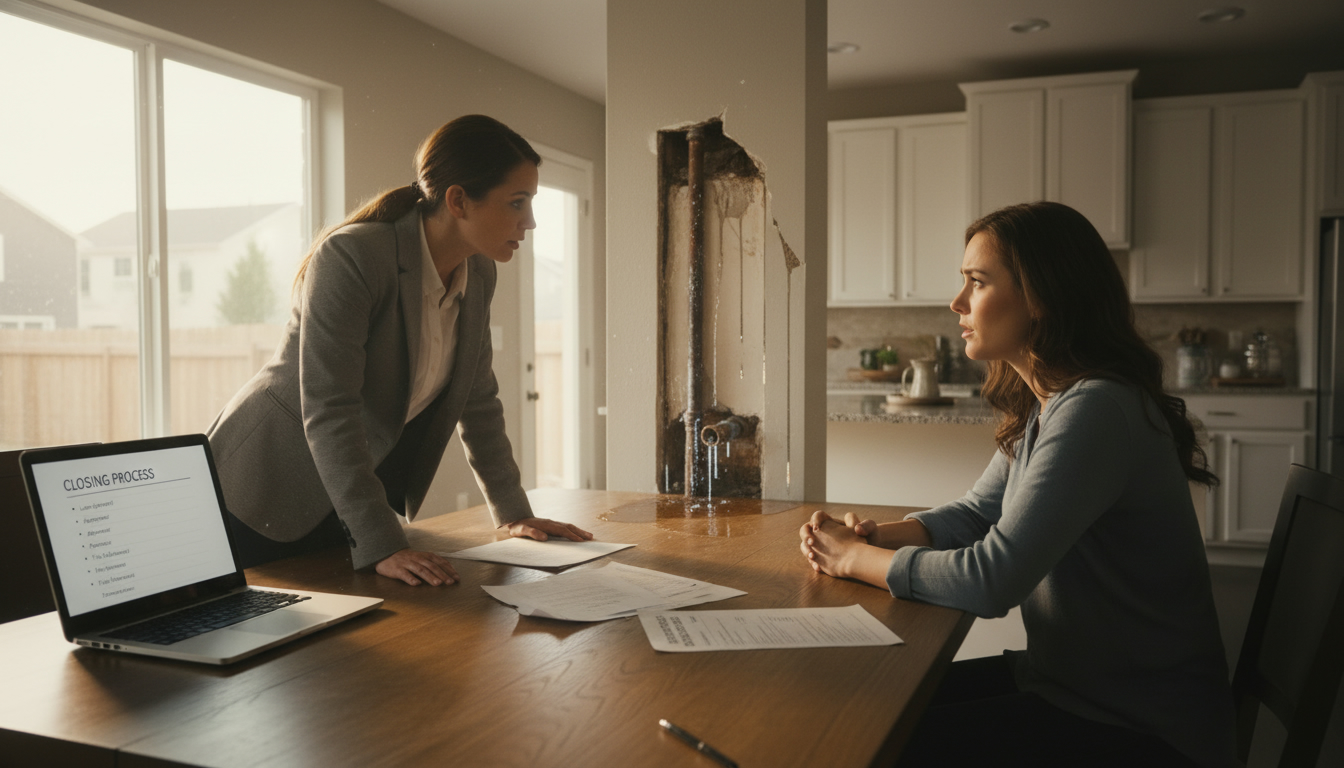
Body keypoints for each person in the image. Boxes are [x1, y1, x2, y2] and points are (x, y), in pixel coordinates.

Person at [799, 201, 1236, 767]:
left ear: (1040, 296)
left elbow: (991, 580)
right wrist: (878, 536)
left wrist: (853, 559)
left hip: (1142, 729)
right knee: (866, 709)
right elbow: (979, 513)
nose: (957, 303)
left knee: (868, 740)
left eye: (976, 282)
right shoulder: (1055, 402)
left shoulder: (1095, 410)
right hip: (1073, 689)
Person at [208, 115, 591, 586]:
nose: (529, 222)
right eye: (517, 203)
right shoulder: (352, 256)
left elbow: (478, 400)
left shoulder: (480, 273)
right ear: (458, 200)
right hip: (264, 488)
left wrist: (514, 513)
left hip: (347, 496)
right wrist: (382, 541)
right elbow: (330, 409)